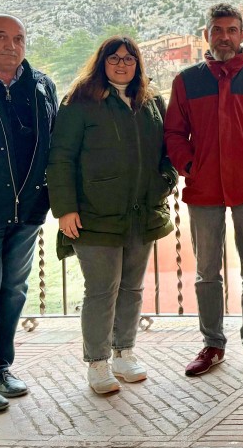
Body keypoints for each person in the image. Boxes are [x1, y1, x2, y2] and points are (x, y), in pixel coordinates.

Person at [164, 3, 243, 376]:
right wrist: (190, 166)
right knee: (206, 271)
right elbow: (173, 133)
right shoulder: (186, 81)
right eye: (217, 30)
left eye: (232, 30)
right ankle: (212, 344)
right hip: (204, 190)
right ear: (207, 35)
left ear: (242, 35)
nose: (224, 36)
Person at [47, 37, 178, 394]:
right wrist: (65, 209)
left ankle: (124, 353)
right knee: (102, 290)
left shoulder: (151, 102)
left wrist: (165, 180)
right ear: (101, 62)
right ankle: (98, 362)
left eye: (129, 58)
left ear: (138, 63)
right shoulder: (80, 103)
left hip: (141, 213)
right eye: (114, 58)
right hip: (94, 215)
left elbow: (168, 151)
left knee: (132, 288)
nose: (122, 64)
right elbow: (60, 158)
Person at [0, 15, 58, 414]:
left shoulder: (41, 86)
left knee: (11, 293)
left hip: (27, 210)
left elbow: (54, 144)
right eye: (0, 37)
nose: (11, 45)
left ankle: (0, 368)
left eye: (18, 38)